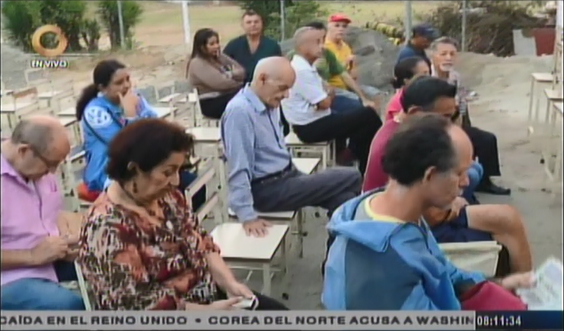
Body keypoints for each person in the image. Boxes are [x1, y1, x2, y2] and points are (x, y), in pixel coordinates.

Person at [322, 113, 533, 310]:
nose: (466, 182)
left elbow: (443, 272)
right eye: (459, 173)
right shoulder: (383, 265)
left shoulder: (388, 211)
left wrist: (500, 285)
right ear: (429, 175)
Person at [78, 119, 288, 310]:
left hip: (207, 296)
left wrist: (228, 282)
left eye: (178, 171)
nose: (176, 181)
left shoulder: (168, 198)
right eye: (167, 172)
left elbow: (202, 243)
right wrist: (204, 313)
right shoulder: (107, 227)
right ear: (134, 169)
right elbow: (135, 305)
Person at [362, 76, 532, 273]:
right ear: (416, 112)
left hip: (415, 216)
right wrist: (453, 204)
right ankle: (522, 291)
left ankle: (524, 289)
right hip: (413, 227)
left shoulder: (404, 132)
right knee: (504, 224)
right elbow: (424, 214)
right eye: (445, 118)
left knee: (505, 215)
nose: (451, 124)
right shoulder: (404, 146)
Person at [221, 56, 362, 241]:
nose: (286, 95)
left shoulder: (269, 102)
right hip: (267, 191)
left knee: (344, 200)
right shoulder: (240, 112)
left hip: (288, 176)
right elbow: (239, 167)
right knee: (352, 176)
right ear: (262, 79)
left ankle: (334, 261)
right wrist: (248, 217)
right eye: (283, 88)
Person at [76, 59, 205, 208]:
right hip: (109, 170)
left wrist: (137, 114)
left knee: (192, 183)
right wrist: (131, 117)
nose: (126, 86)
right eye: (119, 83)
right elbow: (125, 146)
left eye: (127, 79)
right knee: (163, 189)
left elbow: (155, 125)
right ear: (102, 88)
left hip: (141, 162)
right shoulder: (94, 111)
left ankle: (182, 224)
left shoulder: (134, 98)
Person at [1, 116, 84, 310]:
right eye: (51, 164)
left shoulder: (36, 167)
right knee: (67, 307)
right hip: (9, 276)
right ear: (23, 151)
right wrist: (31, 255)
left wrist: (63, 240)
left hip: (49, 259)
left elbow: (52, 214)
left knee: (111, 265)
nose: (53, 172)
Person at [281, 27, 383, 174]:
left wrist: (327, 94)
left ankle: (360, 161)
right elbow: (326, 102)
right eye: (317, 42)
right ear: (303, 47)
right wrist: (327, 94)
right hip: (310, 127)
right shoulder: (301, 70)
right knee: (368, 115)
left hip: (319, 118)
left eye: (322, 41)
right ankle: (370, 165)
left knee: (360, 117)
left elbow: (327, 93)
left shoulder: (307, 66)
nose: (322, 46)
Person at [430, 36, 510, 195]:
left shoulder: (455, 77)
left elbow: (462, 107)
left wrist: (461, 130)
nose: (448, 58)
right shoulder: (427, 78)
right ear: (433, 56)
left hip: (453, 121)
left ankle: (484, 181)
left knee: (486, 139)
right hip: (432, 125)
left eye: (452, 54)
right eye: (443, 54)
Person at [186, 28, 245, 120]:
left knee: (249, 97)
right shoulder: (197, 63)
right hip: (210, 102)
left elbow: (242, 71)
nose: (217, 46)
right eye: (212, 44)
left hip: (226, 96)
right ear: (202, 46)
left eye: (217, 42)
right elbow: (221, 83)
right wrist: (239, 83)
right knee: (245, 100)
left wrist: (230, 75)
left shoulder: (219, 57)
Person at [324, 14, 382, 106]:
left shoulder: (345, 46)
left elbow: (352, 76)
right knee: (355, 100)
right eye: (337, 25)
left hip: (348, 85)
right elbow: (325, 74)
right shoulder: (324, 47)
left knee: (376, 94)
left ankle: (375, 119)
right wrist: (345, 63)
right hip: (333, 87)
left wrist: (353, 67)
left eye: (344, 26)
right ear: (329, 27)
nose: (341, 29)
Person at [223, 10, 283, 83]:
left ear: (262, 24)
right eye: (249, 22)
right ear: (242, 25)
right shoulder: (233, 45)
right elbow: (223, 66)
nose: (253, 25)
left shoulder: (272, 46)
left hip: (265, 87)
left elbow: (280, 69)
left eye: (256, 22)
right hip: (238, 88)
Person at [385, 56, 430, 121]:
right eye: (424, 74)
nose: (429, 77)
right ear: (407, 81)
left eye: (428, 72)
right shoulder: (399, 101)